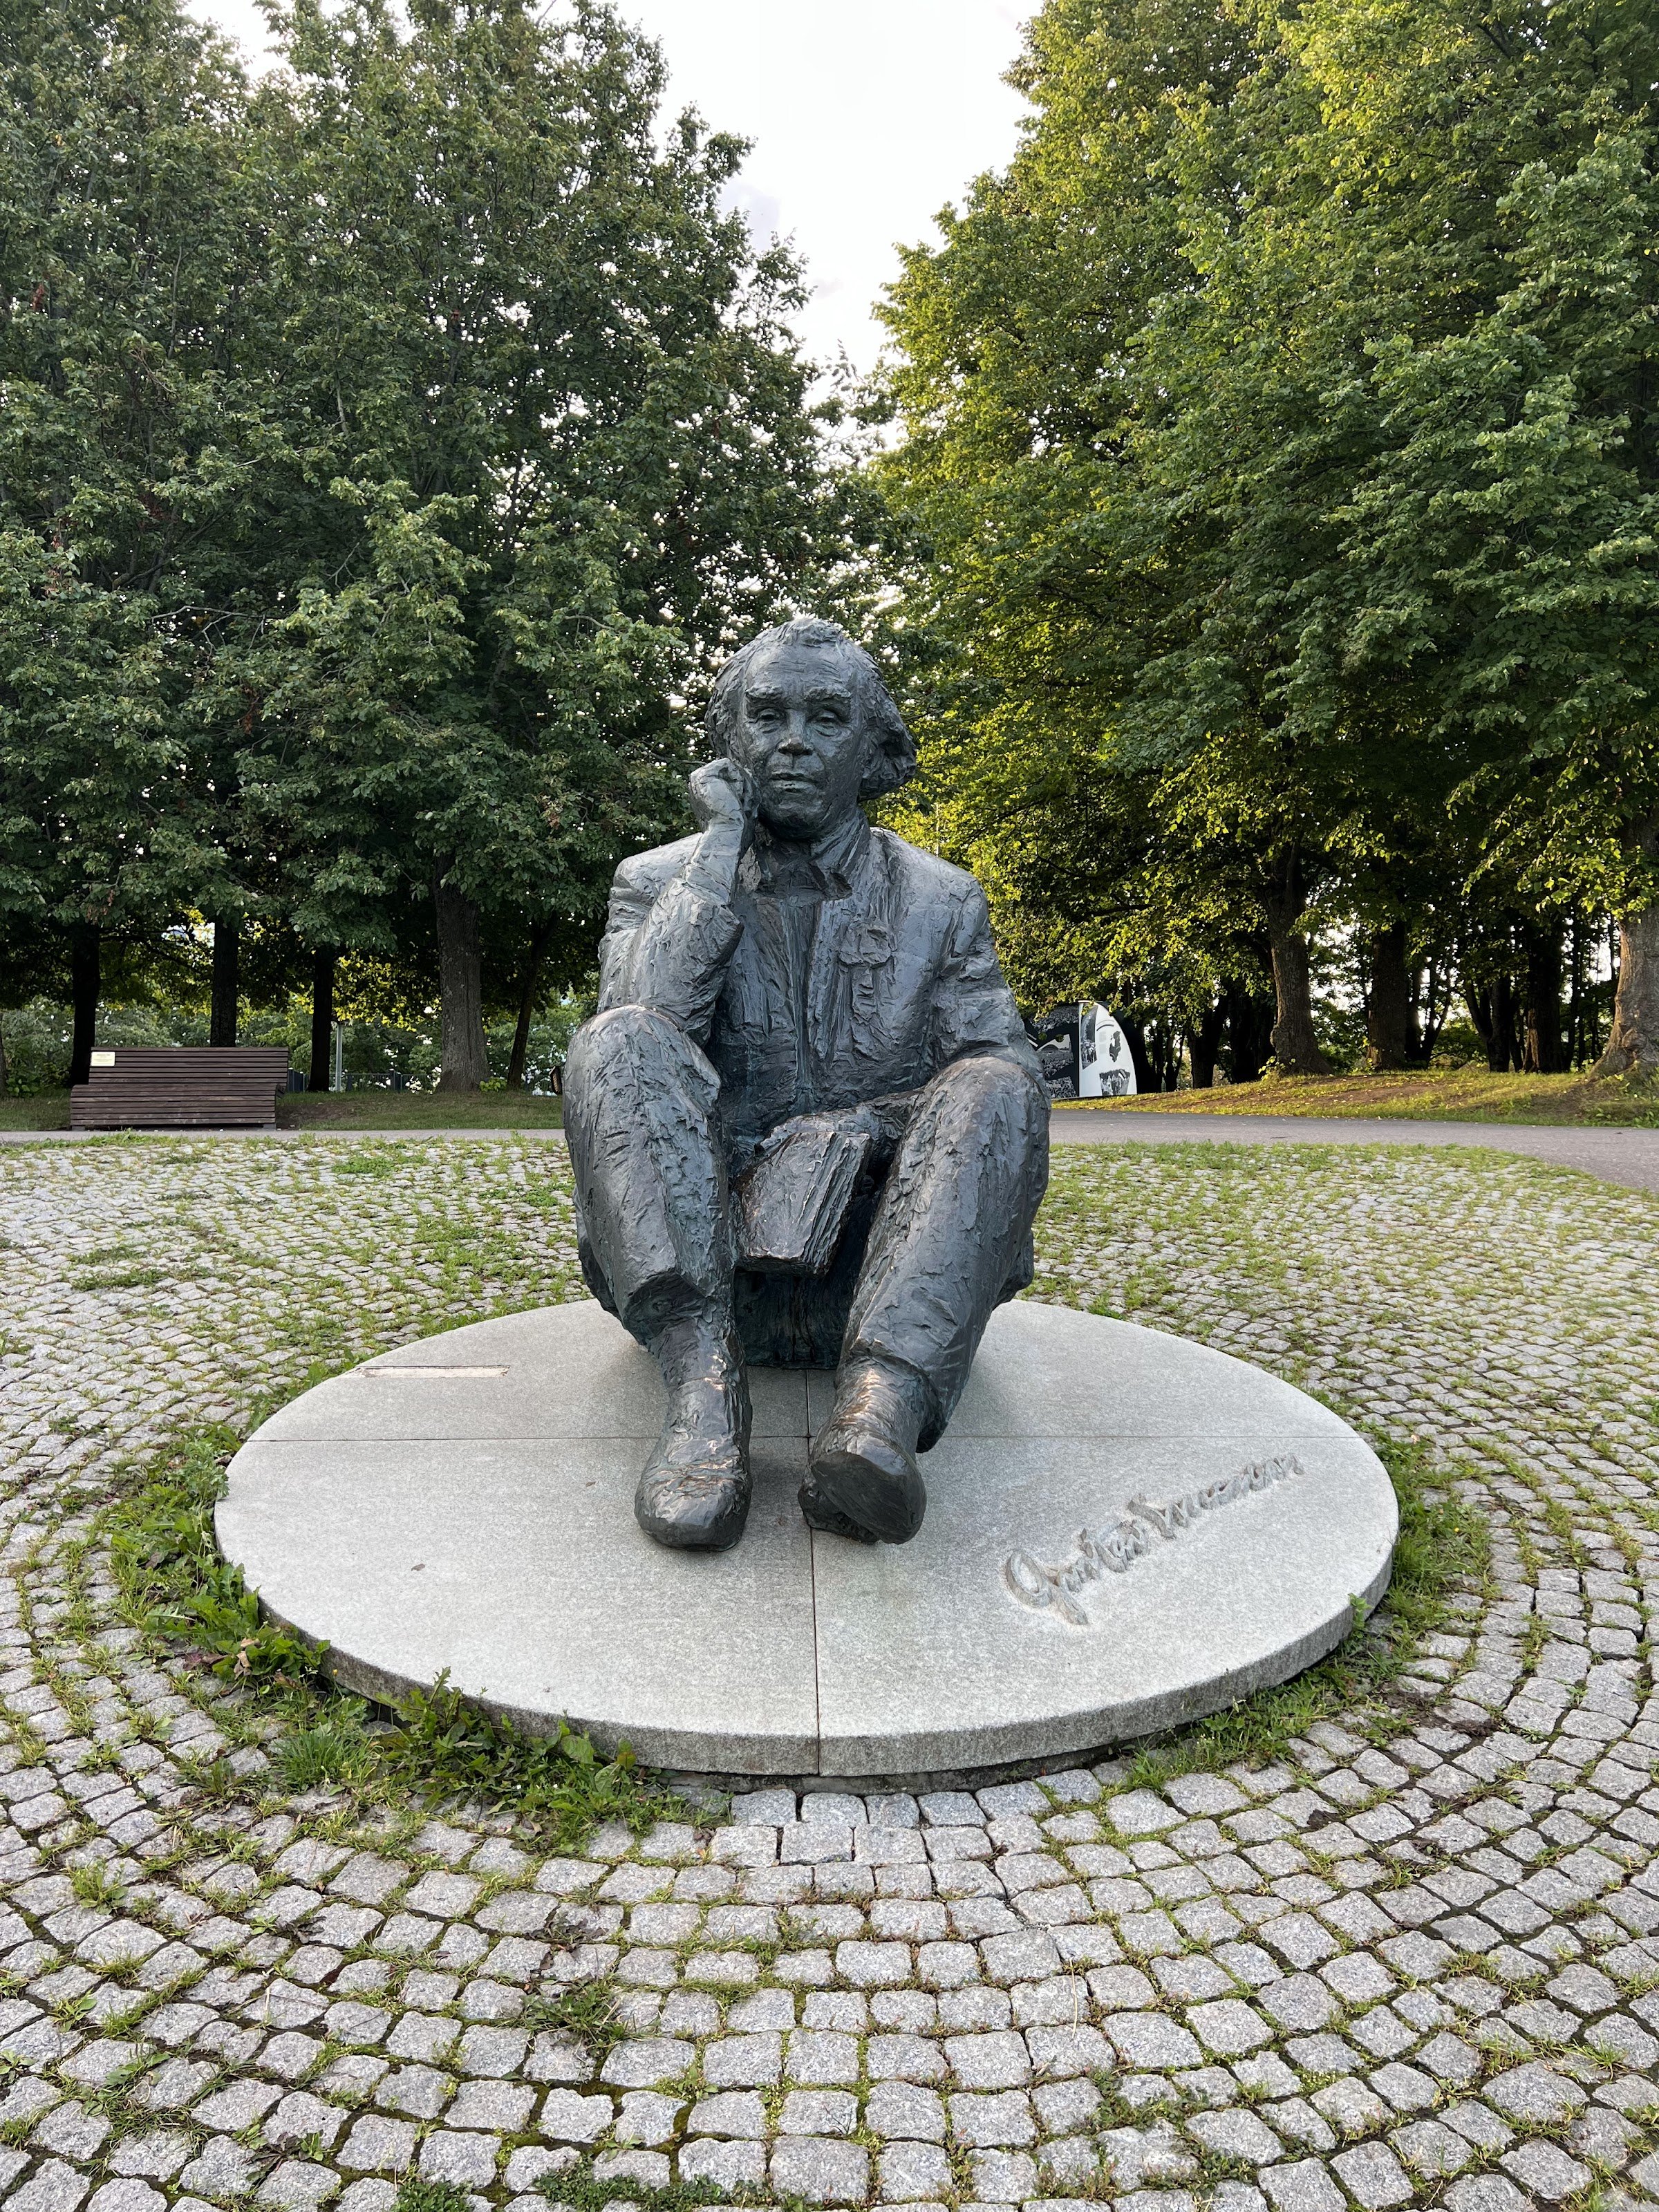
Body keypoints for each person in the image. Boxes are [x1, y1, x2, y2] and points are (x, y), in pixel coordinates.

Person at [563, 617, 1049, 1551]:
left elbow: (1010, 1079)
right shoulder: (654, 882)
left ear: (874, 748)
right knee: (614, 1038)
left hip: (880, 1263)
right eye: (768, 715)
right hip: (710, 1272)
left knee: (996, 1085)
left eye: (827, 718)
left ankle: (878, 1418)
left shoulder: (942, 899)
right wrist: (718, 853)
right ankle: (704, 1411)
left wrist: (864, 1126)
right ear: (728, 737)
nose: (793, 740)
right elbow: (636, 1033)